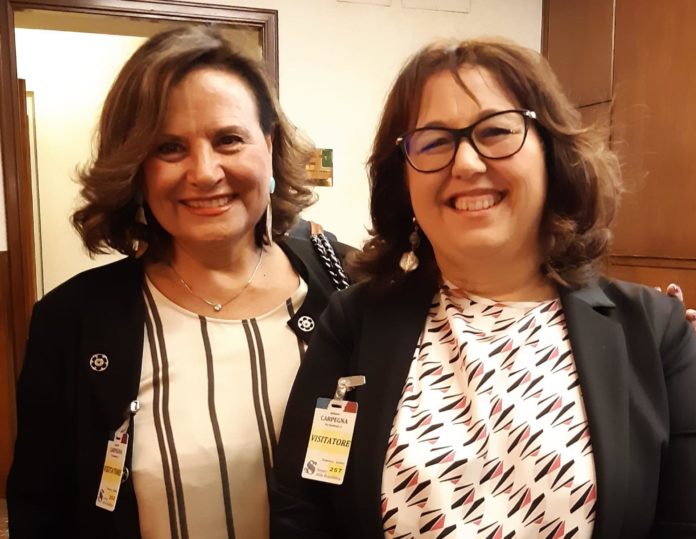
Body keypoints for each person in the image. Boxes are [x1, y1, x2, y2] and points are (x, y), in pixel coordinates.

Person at [271, 38, 696, 538]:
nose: (467, 164)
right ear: (403, 178)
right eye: (433, 142)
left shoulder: (658, 333)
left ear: (552, 152)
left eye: (496, 131)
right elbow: (304, 508)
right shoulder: (353, 324)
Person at [7, 26, 350, 538]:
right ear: (136, 169)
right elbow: (41, 511)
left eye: (228, 139)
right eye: (169, 147)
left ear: (269, 143)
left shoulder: (349, 292)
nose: (205, 172)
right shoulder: (71, 322)